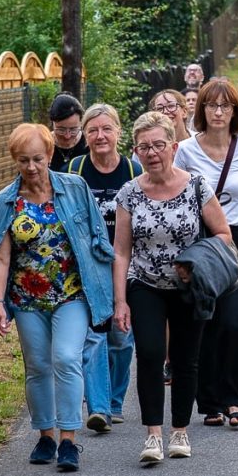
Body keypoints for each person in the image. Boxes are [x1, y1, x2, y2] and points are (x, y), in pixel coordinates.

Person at [0, 123, 113, 472]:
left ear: (50, 155)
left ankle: (69, 440)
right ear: (15, 159)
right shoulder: (6, 202)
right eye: (23, 160)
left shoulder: (74, 189)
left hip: (71, 294)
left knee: (67, 357)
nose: (31, 167)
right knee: (38, 366)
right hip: (27, 299)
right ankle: (45, 435)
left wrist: (109, 292)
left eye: (38, 159)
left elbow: (99, 240)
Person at [112, 112, 232, 465]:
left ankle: (180, 429)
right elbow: (121, 251)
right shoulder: (129, 193)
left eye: (159, 145)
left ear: (174, 147)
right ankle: (153, 435)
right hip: (145, 283)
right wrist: (120, 301)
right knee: (149, 353)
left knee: (185, 359)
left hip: (188, 285)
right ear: (136, 152)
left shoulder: (196, 185)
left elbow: (223, 234)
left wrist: (193, 261)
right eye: (144, 147)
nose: (152, 153)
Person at [174, 80, 238, 428]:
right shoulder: (186, 151)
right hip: (202, 243)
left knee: (235, 323)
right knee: (207, 320)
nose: (218, 112)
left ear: (235, 111)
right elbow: (177, 198)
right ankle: (211, 402)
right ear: (201, 110)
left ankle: (234, 397)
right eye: (211, 106)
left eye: (226, 106)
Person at [65, 105, 141, 431]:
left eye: (106, 129)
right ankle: (99, 407)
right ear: (85, 134)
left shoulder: (134, 170)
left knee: (121, 338)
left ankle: (115, 400)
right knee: (94, 336)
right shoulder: (75, 169)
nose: (100, 136)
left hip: (126, 264)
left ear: (119, 132)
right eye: (93, 130)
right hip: (87, 266)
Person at [48, 92, 89, 171]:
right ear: (52, 123)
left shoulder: (89, 145)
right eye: (61, 130)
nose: (67, 136)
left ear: (81, 123)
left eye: (73, 129)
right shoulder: (43, 144)